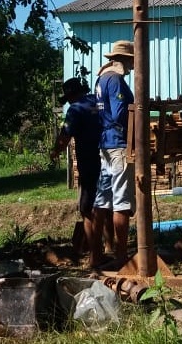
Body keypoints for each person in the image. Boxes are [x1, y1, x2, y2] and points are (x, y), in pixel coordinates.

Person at [92, 40, 136, 268]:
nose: (132, 66)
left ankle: (95, 255)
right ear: (124, 60)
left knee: (102, 199)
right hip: (119, 144)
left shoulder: (101, 79)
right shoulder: (116, 80)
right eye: (131, 61)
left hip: (105, 144)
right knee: (121, 201)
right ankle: (121, 257)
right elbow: (121, 113)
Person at [50, 77, 102, 263]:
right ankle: (111, 247)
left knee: (87, 208)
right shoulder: (97, 102)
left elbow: (65, 137)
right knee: (106, 205)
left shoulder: (75, 109)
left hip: (89, 162)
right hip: (107, 159)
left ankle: (96, 255)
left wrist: (55, 152)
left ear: (71, 95)